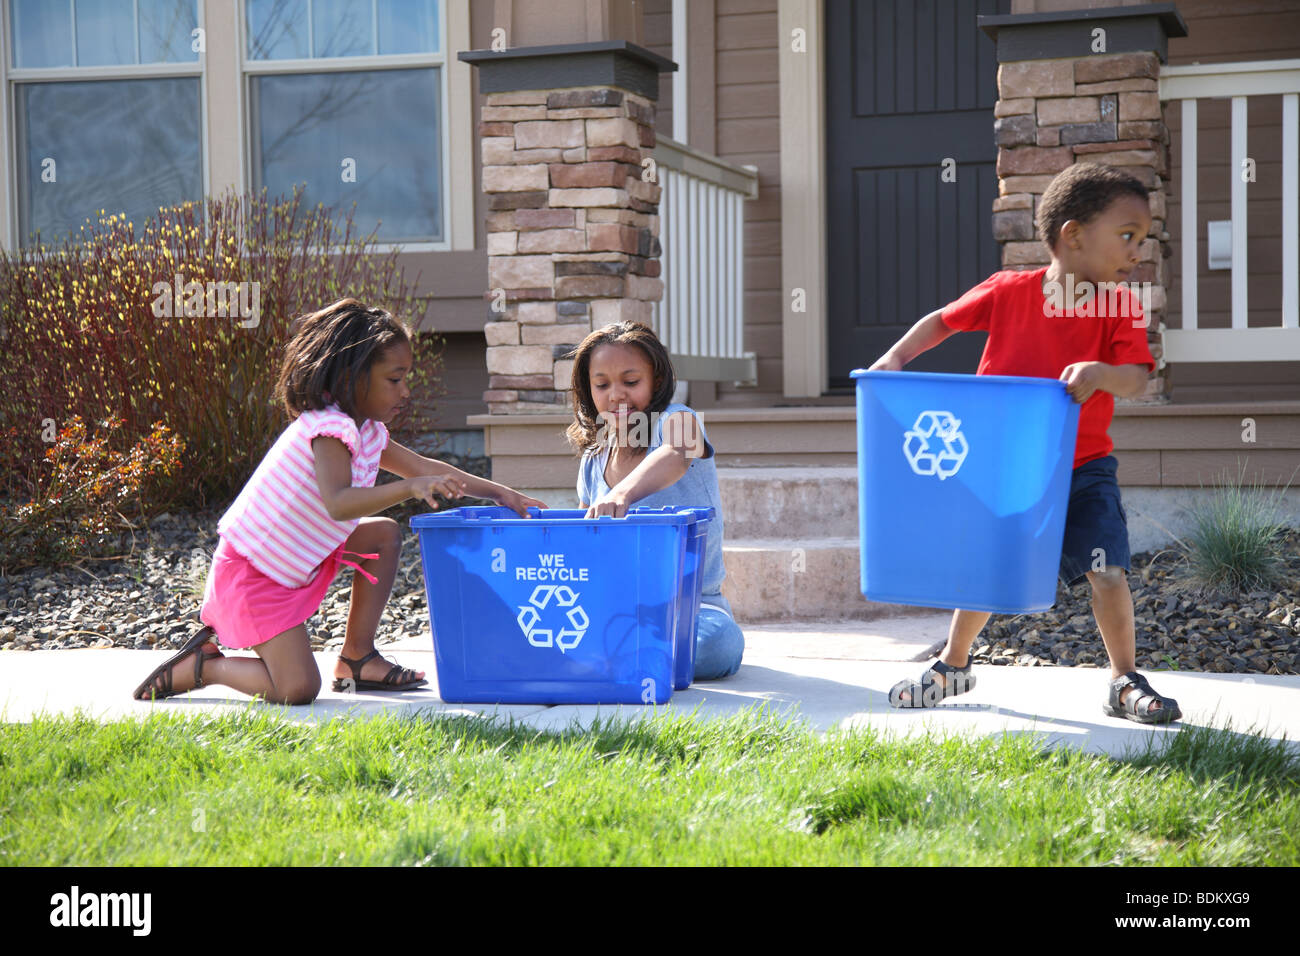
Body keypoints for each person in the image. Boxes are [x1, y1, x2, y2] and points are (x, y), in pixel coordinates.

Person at [869, 162, 1180, 724]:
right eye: (1127, 235)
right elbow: (942, 322)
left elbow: (1138, 376)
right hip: (1005, 467)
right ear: (1074, 234)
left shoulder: (1117, 307)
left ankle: (1124, 679)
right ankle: (953, 665)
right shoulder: (1009, 292)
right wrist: (894, 360)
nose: (1137, 250)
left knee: (1107, 570)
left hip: (1083, 467)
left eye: (1143, 237)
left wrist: (1102, 373)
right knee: (989, 569)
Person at [133, 298, 545, 704]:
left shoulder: (366, 430)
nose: (405, 391)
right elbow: (339, 503)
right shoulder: (330, 428)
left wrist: (499, 493)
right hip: (255, 572)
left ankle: (357, 659)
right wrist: (407, 489)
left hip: (294, 557)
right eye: (394, 379)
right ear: (353, 377)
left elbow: (422, 467)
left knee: (384, 536)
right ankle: (205, 666)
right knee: (296, 689)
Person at [568, 321, 744, 681]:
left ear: (657, 381)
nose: (616, 394)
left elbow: (677, 452)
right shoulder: (593, 461)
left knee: (717, 644)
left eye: (630, 382)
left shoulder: (677, 419)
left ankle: (618, 655)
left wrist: (622, 493)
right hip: (617, 608)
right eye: (602, 384)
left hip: (693, 610)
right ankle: (629, 652)